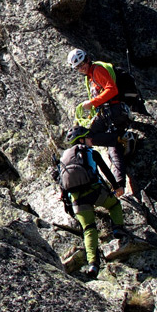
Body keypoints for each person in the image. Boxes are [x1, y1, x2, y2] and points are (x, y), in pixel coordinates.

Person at [57, 125, 129, 279]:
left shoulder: (63, 158)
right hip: (94, 191)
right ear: (81, 139)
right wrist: (117, 187)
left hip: (76, 199)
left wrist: (65, 201)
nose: (92, 140)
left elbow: (61, 183)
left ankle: (93, 265)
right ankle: (118, 230)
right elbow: (105, 170)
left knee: (89, 229)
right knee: (115, 204)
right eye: (89, 138)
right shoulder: (89, 152)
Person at [66, 48, 131, 193]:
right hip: (110, 113)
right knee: (113, 147)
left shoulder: (97, 70)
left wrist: (93, 103)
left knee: (88, 136)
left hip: (115, 111)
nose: (81, 68)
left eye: (82, 64)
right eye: (78, 67)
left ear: (87, 59)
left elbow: (112, 89)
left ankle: (121, 138)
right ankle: (119, 185)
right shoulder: (90, 76)